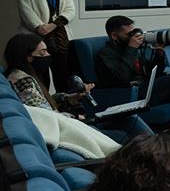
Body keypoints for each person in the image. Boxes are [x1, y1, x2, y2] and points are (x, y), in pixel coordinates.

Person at [3, 33, 152, 142]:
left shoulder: (26, 75)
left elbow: (43, 101)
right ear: (27, 57)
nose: (48, 55)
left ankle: (159, 150)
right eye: (43, 52)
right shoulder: (23, 81)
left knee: (130, 117)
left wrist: (72, 97)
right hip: (67, 129)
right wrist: (75, 117)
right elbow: (46, 115)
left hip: (69, 122)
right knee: (134, 134)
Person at [16, 0, 76, 90]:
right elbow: (26, 12)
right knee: (41, 81)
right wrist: (40, 27)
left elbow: (70, 9)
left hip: (60, 37)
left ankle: (65, 110)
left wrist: (53, 25)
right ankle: (47, 109)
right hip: (36, 38)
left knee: (63, 79)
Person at [95, 15, 166, 87]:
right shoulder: (106, 53)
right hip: (130, 90)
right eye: (129, 34)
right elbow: (122, 77)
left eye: (133, 33)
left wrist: (159, 54)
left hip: (147, 86)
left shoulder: (130, 49)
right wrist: (131, 48)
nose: (132, 37)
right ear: (114, 36)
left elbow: (151, 74)